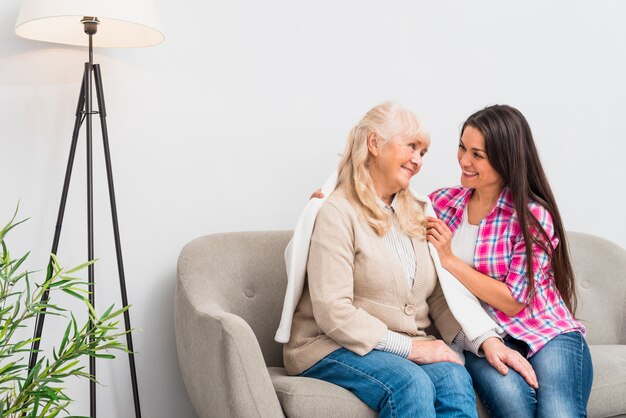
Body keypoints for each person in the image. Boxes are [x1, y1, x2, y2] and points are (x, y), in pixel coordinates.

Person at [280, 102, 535, 418]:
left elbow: (439, 299)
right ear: (374, 144)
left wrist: (485, 342)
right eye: (411, 147)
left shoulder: (418, 211)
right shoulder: (337, 211)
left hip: (394, 345)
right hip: (327, 345)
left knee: (455, 377)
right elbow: (334, 312)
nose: (417, 160)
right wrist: (414, 348)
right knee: (410, 383)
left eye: (423, 152)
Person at [426, 104, 593, 418]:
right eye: (462, 147)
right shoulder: (441, 204)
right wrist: (329, 198)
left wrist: (449, 259)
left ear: (506, 160)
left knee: (558, 413)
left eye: (478, 155)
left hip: (546, 332)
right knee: (515, 409)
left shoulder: (533, 217)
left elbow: (514, 302)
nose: (464, 161)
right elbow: (384, 208)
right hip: (485, 336)